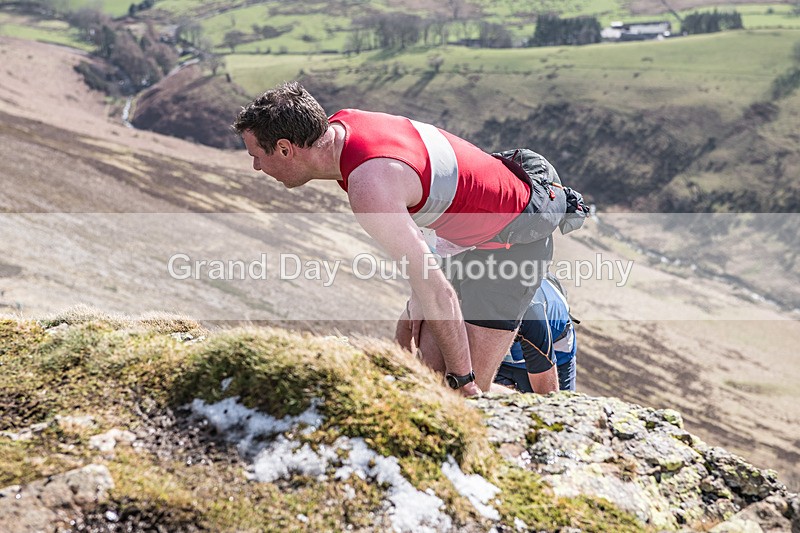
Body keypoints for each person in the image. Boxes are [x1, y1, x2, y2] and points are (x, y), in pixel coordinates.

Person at [232, 81, 561, 396]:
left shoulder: (369, 186)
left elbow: (435, 288)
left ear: (286, 149)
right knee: (430, 375)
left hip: (514, 241)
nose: (257, 167)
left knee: (458, 396)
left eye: (257, 155)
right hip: (464, 239)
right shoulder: (342, 125)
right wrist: (417, 302)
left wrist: (464, 379)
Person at [492, 275, 578, 394]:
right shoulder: (468, 301)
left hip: (554, 350)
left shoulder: (531, 313)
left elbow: (548, 396)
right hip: (511, 345)